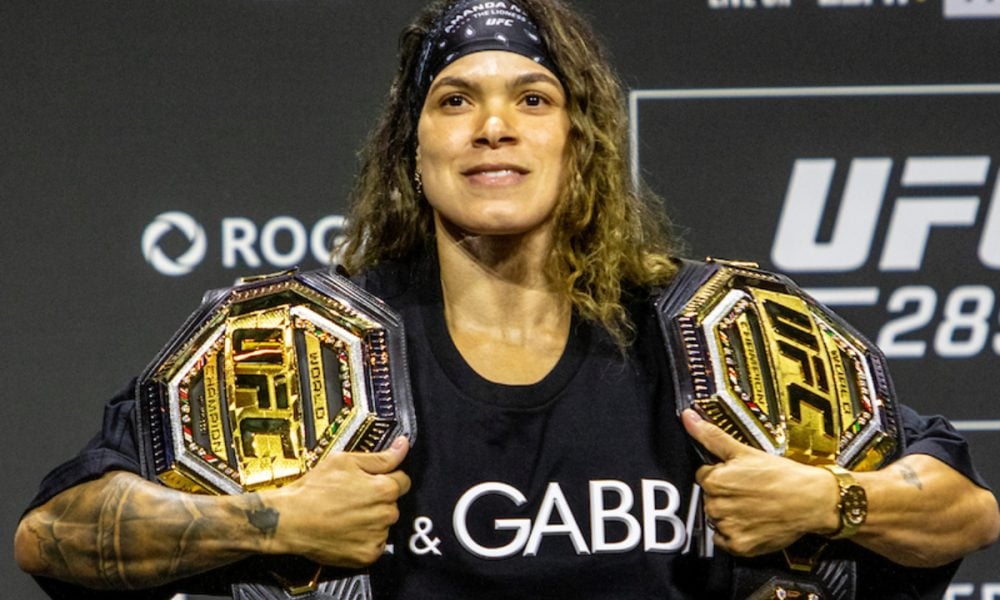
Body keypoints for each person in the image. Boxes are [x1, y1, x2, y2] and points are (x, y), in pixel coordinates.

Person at [15, 0, 1000, 598]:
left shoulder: (717, 337)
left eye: (532, 98)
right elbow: (52, 535)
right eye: (455, 99)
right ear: (413, 149)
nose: (493, 126)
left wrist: (829, 498)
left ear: (580, 143)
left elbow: (966, 514)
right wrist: (269, 524)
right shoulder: (297, 350)